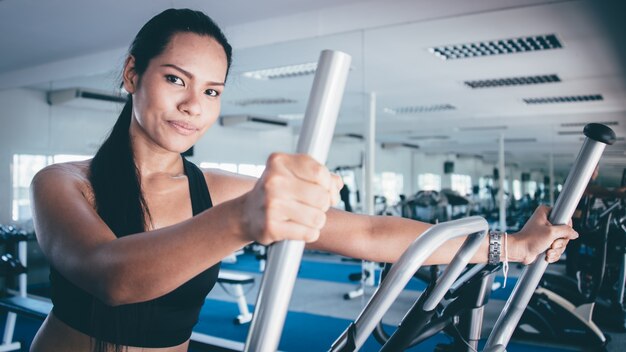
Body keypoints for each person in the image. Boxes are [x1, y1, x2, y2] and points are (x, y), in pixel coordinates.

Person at [28, 8, 578, 352]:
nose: (194, 105)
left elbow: (370, 234)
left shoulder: (215, 189)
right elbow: (111, 278)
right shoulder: (64, 183)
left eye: (213, 91)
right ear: (132, 74)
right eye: (176, 79)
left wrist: (518, 245)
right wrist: (242, 220)